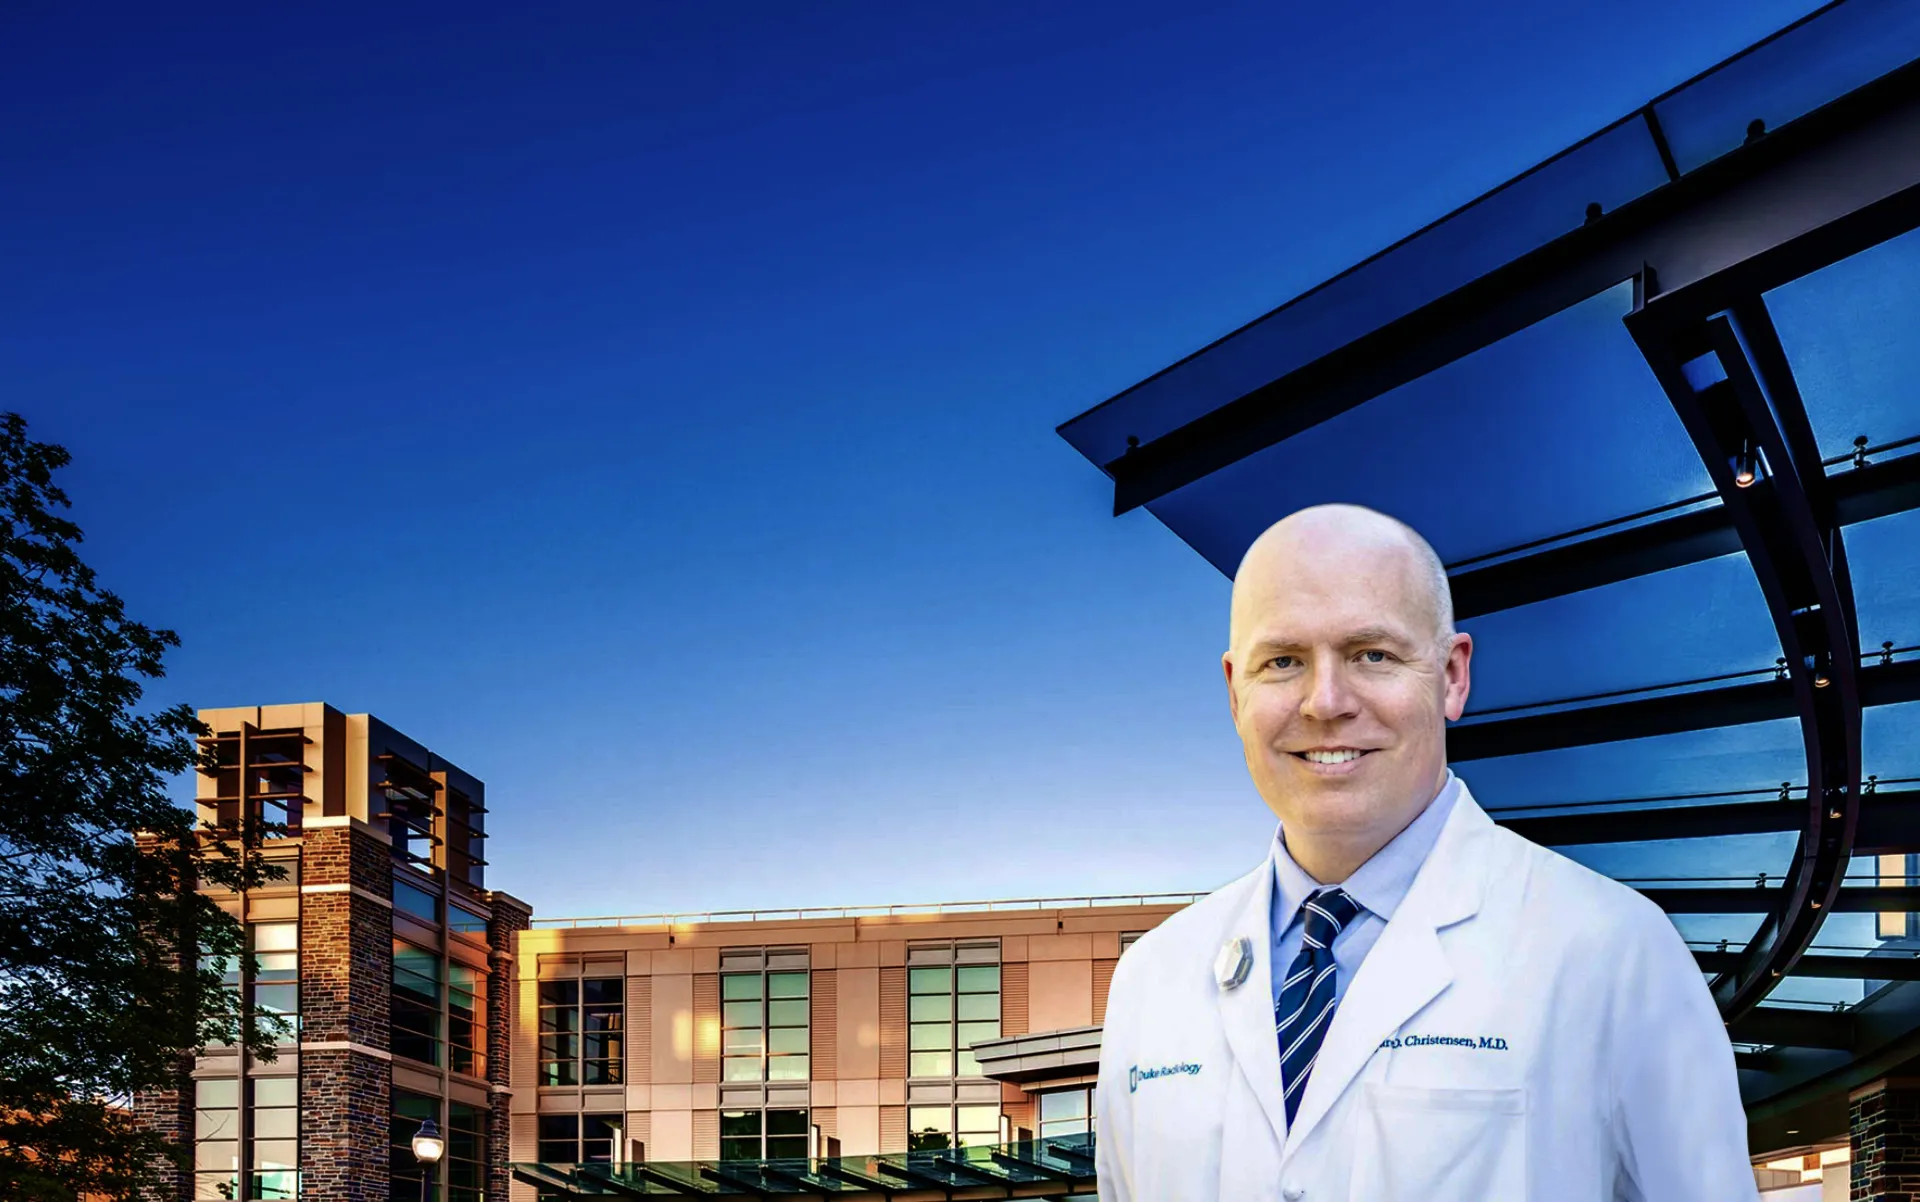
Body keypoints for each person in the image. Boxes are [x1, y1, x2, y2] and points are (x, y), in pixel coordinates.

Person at [1094, 504, 1757, 1202]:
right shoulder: (1152, 981)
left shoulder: (1614, 951)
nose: (1325, 702)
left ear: (1452, 676)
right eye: (1283, 661)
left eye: (1371, 655)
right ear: (1235, 691)